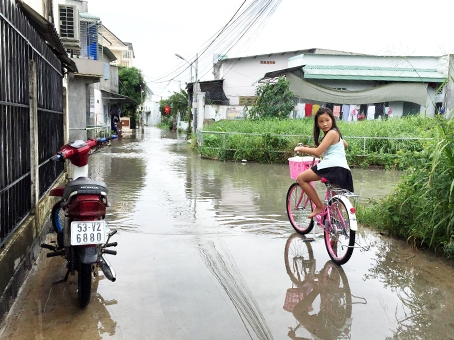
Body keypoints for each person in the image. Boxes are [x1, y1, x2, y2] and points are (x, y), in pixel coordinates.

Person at [293, 107, 354, 218]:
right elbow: (345, 144)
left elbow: (317, 152)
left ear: (332, 120)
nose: (325, 124)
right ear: (317, 124)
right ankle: (335, 233)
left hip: (331, 167)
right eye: (321, 121)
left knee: (301, 178)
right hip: (343, 170)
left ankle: (319, 206)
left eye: (327, 120)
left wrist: (301, 149)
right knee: (335, 208)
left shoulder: (331, 133)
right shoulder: (336, 133)